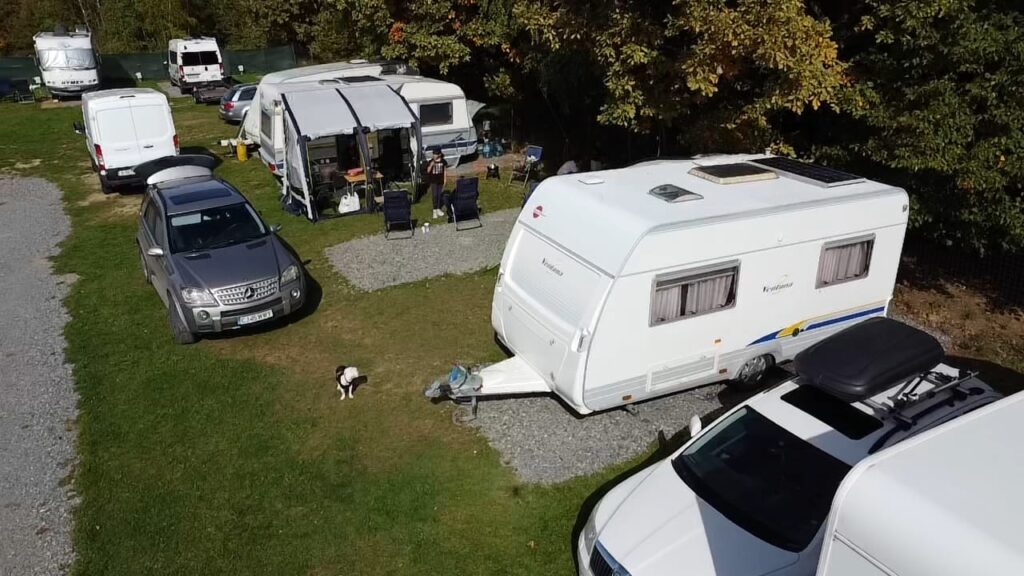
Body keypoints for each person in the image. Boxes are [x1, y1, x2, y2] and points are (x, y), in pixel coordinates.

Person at [426, 148, 448, 219]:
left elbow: (445, 171)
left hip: (440, 181)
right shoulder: (431, 161)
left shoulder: (443, 161)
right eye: (433, 154)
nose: (434, 155)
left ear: (439, 154)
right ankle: (434, 210)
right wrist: (431, 165)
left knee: (439, 195)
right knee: (435, 195)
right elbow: (428, 171)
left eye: (435, 154)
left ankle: (438, 209)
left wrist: (445, 180)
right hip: (433, 181)